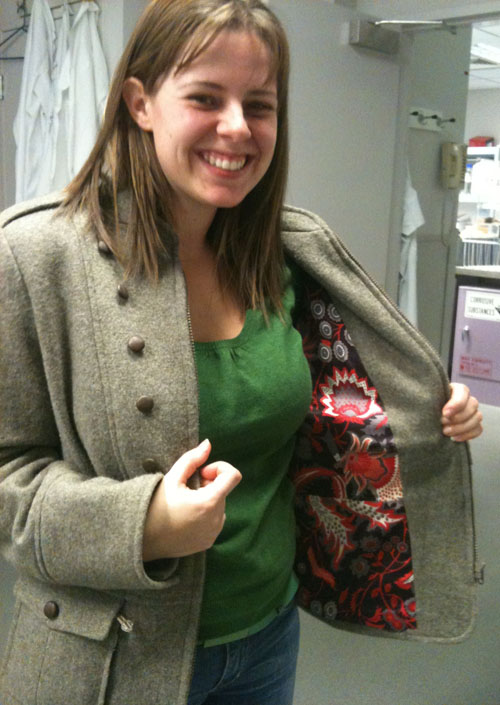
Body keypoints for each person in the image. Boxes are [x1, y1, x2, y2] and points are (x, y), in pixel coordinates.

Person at [0, 1, 483, 704]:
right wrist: (143, 524)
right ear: (140, 103)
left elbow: (328, 406)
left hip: (266, 636)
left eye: (260, 105)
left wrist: (424, 408)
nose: (237, 128)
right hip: (115, 651)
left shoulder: (282, 254)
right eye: (205, 98)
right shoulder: (35, 257)